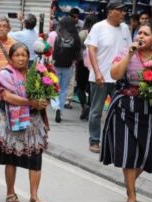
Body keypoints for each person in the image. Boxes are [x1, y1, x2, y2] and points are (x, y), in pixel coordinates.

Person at [101, 23, 152, 202]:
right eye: (139, 33)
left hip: (150, 109)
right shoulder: (126, 52)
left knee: (146, 154)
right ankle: (132, 195)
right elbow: (114, 74)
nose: (141, 36)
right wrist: (129, 54)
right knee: (129, 153)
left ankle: (129, 182)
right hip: (125, 108)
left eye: (146, 34)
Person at [0, 42, 49, 202]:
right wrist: (31, 102)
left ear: (28, 57)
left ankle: (34, 198)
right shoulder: (4, 75)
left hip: (34, 123)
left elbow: (47, 93)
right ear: (11, 57)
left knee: (36, 158)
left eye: (24, 55)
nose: (21, 58)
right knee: (11, 159)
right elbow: (6, 96)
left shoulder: (36, 74)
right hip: (11, 122)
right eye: (17, 55)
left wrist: (44, 102)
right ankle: (10, 192)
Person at [84, 0, 132, 153]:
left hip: (119, 78)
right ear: (110, 11)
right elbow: (91, 50)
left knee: (120, 111)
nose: (123, 13)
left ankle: (115, 141)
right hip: (101, 77)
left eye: (124, 10)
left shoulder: (125, 28)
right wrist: (97, 72)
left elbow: (129, 52)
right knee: (96, 111)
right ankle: (94, 140)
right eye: (120, 10)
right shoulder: (98, 27)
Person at [52, 16, 81, 123]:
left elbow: (55, 51)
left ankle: (55, 106)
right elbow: (78, 53)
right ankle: (60, 109)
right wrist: (74, 60)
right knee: (64, 89)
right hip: (69, 66)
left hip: (57, 65)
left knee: (55, 87)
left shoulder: (58, 36)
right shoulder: (76, 37)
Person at [76, 15, 97, 120]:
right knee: (92, 87)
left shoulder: (82, 34)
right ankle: (89, 106)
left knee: (80, 87)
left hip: (82, 64)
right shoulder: (98, 34)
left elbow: (77, 48)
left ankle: (84, 105)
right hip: (94, 64)